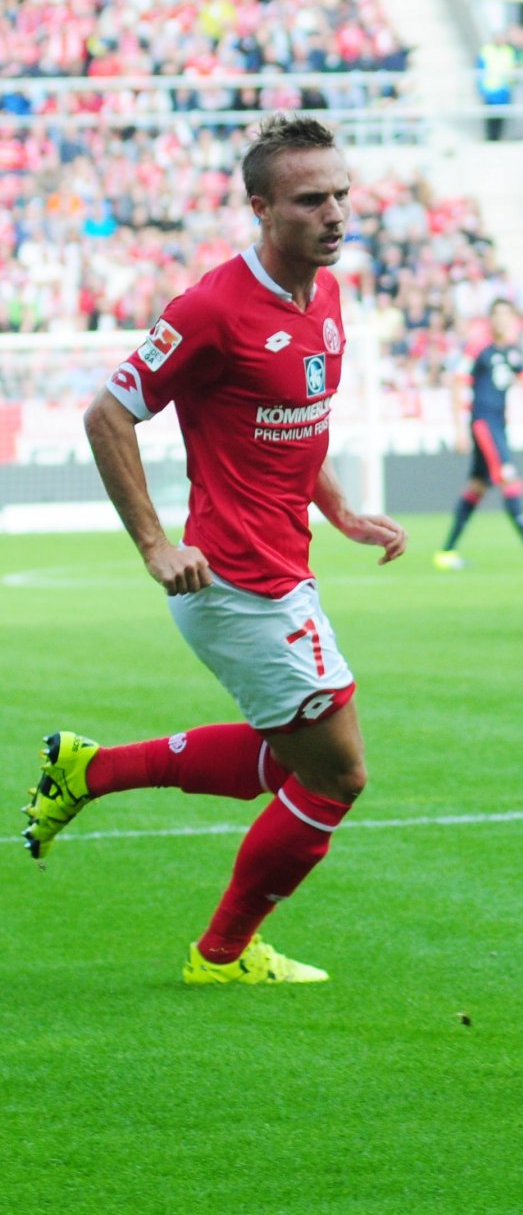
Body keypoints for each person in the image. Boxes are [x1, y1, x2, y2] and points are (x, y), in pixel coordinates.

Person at [20, 114, 408, 985]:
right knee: (337, 775)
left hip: (283, 569)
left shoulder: (327, 293)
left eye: (342, 193)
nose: (336, 212)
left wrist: (340, 508)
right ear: (262, 208)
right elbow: (105, 414)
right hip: (237, 580)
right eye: (312, 200)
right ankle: (221, 952)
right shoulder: (212, 309)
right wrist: (154, 542)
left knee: (292, 756)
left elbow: (296, 426)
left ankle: (88, 769)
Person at [434, 299, 523, 569]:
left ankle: (446, 553)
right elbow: (458, 382)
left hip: (499, 424)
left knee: (477, 487)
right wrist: (458, 429)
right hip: (483, 423)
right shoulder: (479, 347)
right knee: (509, 479)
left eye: (507, 315)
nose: (503, 320)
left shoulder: (513, 350)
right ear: (490, 319)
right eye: (498, 315)